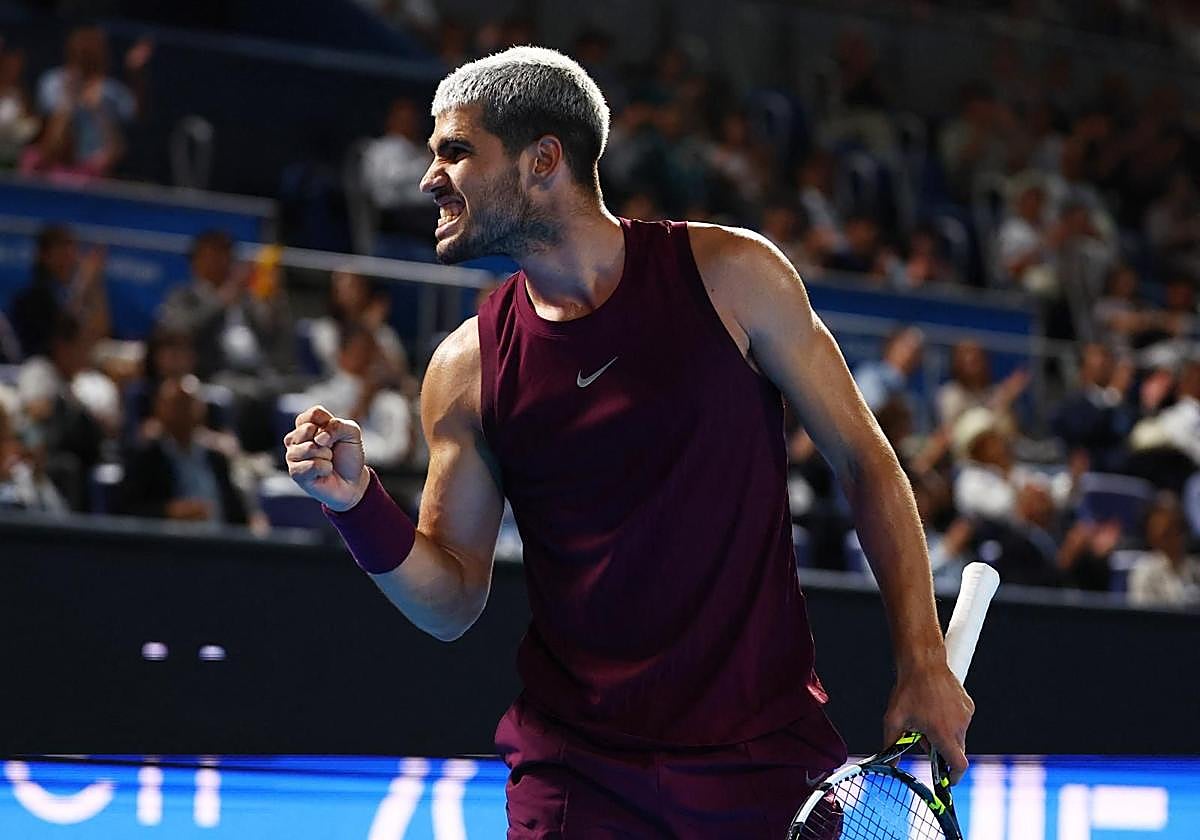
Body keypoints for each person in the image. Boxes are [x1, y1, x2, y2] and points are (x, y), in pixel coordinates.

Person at [283, 46, 971, 837]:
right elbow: (451, 604)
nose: (428, 179)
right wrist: (356, 506)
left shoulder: (733, 275)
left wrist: (923, 661)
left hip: (763, 763)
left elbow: (865, 463)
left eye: (456, 151)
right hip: (576, 775)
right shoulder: (466, 368)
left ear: (544, 160)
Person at [118, 375, 248, 526]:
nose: (185, 412)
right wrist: (171, 512)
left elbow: (237, 513)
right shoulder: (145, 457)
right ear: (160, 409)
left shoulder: (215, 457)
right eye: (178, 405)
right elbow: (127, 511)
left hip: (221, 538)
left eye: (191, 404)